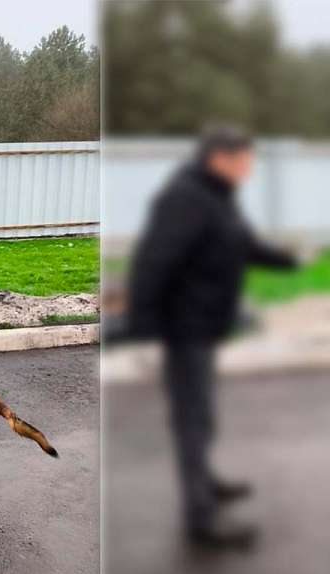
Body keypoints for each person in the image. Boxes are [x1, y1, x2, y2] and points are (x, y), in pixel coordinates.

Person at [128, 125, 297, 550]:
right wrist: (144, 325)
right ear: (219, 158)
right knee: (193, 417)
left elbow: (239, 244)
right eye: (244, 160)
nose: (249, 168)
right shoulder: (187, 199)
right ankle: (200, 520)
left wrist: (286, 260)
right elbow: (155, 261)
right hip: (186, 325)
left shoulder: (215, 197)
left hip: (205, 323)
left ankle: (206, 482)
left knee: (201, 414)